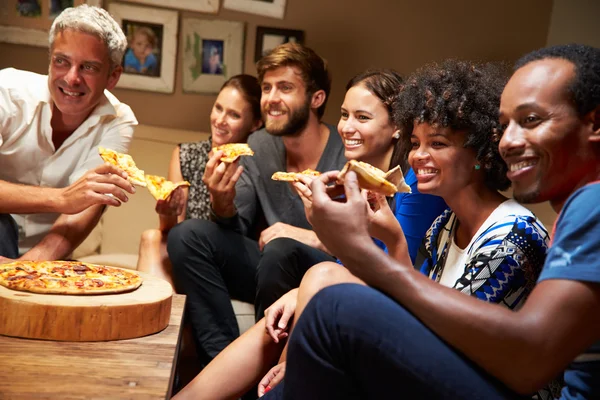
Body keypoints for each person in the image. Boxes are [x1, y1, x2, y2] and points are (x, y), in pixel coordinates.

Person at [263, 44, 600, 400]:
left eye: (531, 120)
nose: (509, 141)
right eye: (504, 126)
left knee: (334, 305)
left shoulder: (551, 219)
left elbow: (524, 360)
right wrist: (389, 243)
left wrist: (359, 250)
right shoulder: (445, 226)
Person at [171, 68, 447, 400]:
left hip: (391, 306)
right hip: (343, 281)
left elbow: (396, 273)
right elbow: (347, 258)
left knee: (300, 269)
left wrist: (308, 281)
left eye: (362, 117)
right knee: (195, 243)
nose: (346, 127)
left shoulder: (415, 186)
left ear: (396, 128)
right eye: (344, 115)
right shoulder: (354, 177)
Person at [167, 42, 346, 367]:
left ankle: (266, 376)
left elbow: (365, 246)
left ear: (316, 99)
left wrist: (309, 236)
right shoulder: (258, 145)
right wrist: (221, 199)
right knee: (186, 235)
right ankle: (222, 365)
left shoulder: (347, 154)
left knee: (281, 249)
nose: (271, 98)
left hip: (326, 272)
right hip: (269, 270)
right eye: (266, 88)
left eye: (285, 87)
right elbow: (234, 226)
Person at [0, 5, 137, 262]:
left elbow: (89, 204)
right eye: (61, 61)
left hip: (50, 260)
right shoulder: (5, 91)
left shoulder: (118, 121)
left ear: (112, 77)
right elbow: (73, 199)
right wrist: (61, 198)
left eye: (89, 67)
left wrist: (27, 270)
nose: (72, 78)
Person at [136, 74, 263, 286]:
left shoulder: (256, 164)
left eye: (234, 115)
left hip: (233, 261)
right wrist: (167, 213)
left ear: (255, 124)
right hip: (185, 251)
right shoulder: (185, 154)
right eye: (218, 108)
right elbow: (173, 230)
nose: (220, 120)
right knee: (151, 237)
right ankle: (150, 316)